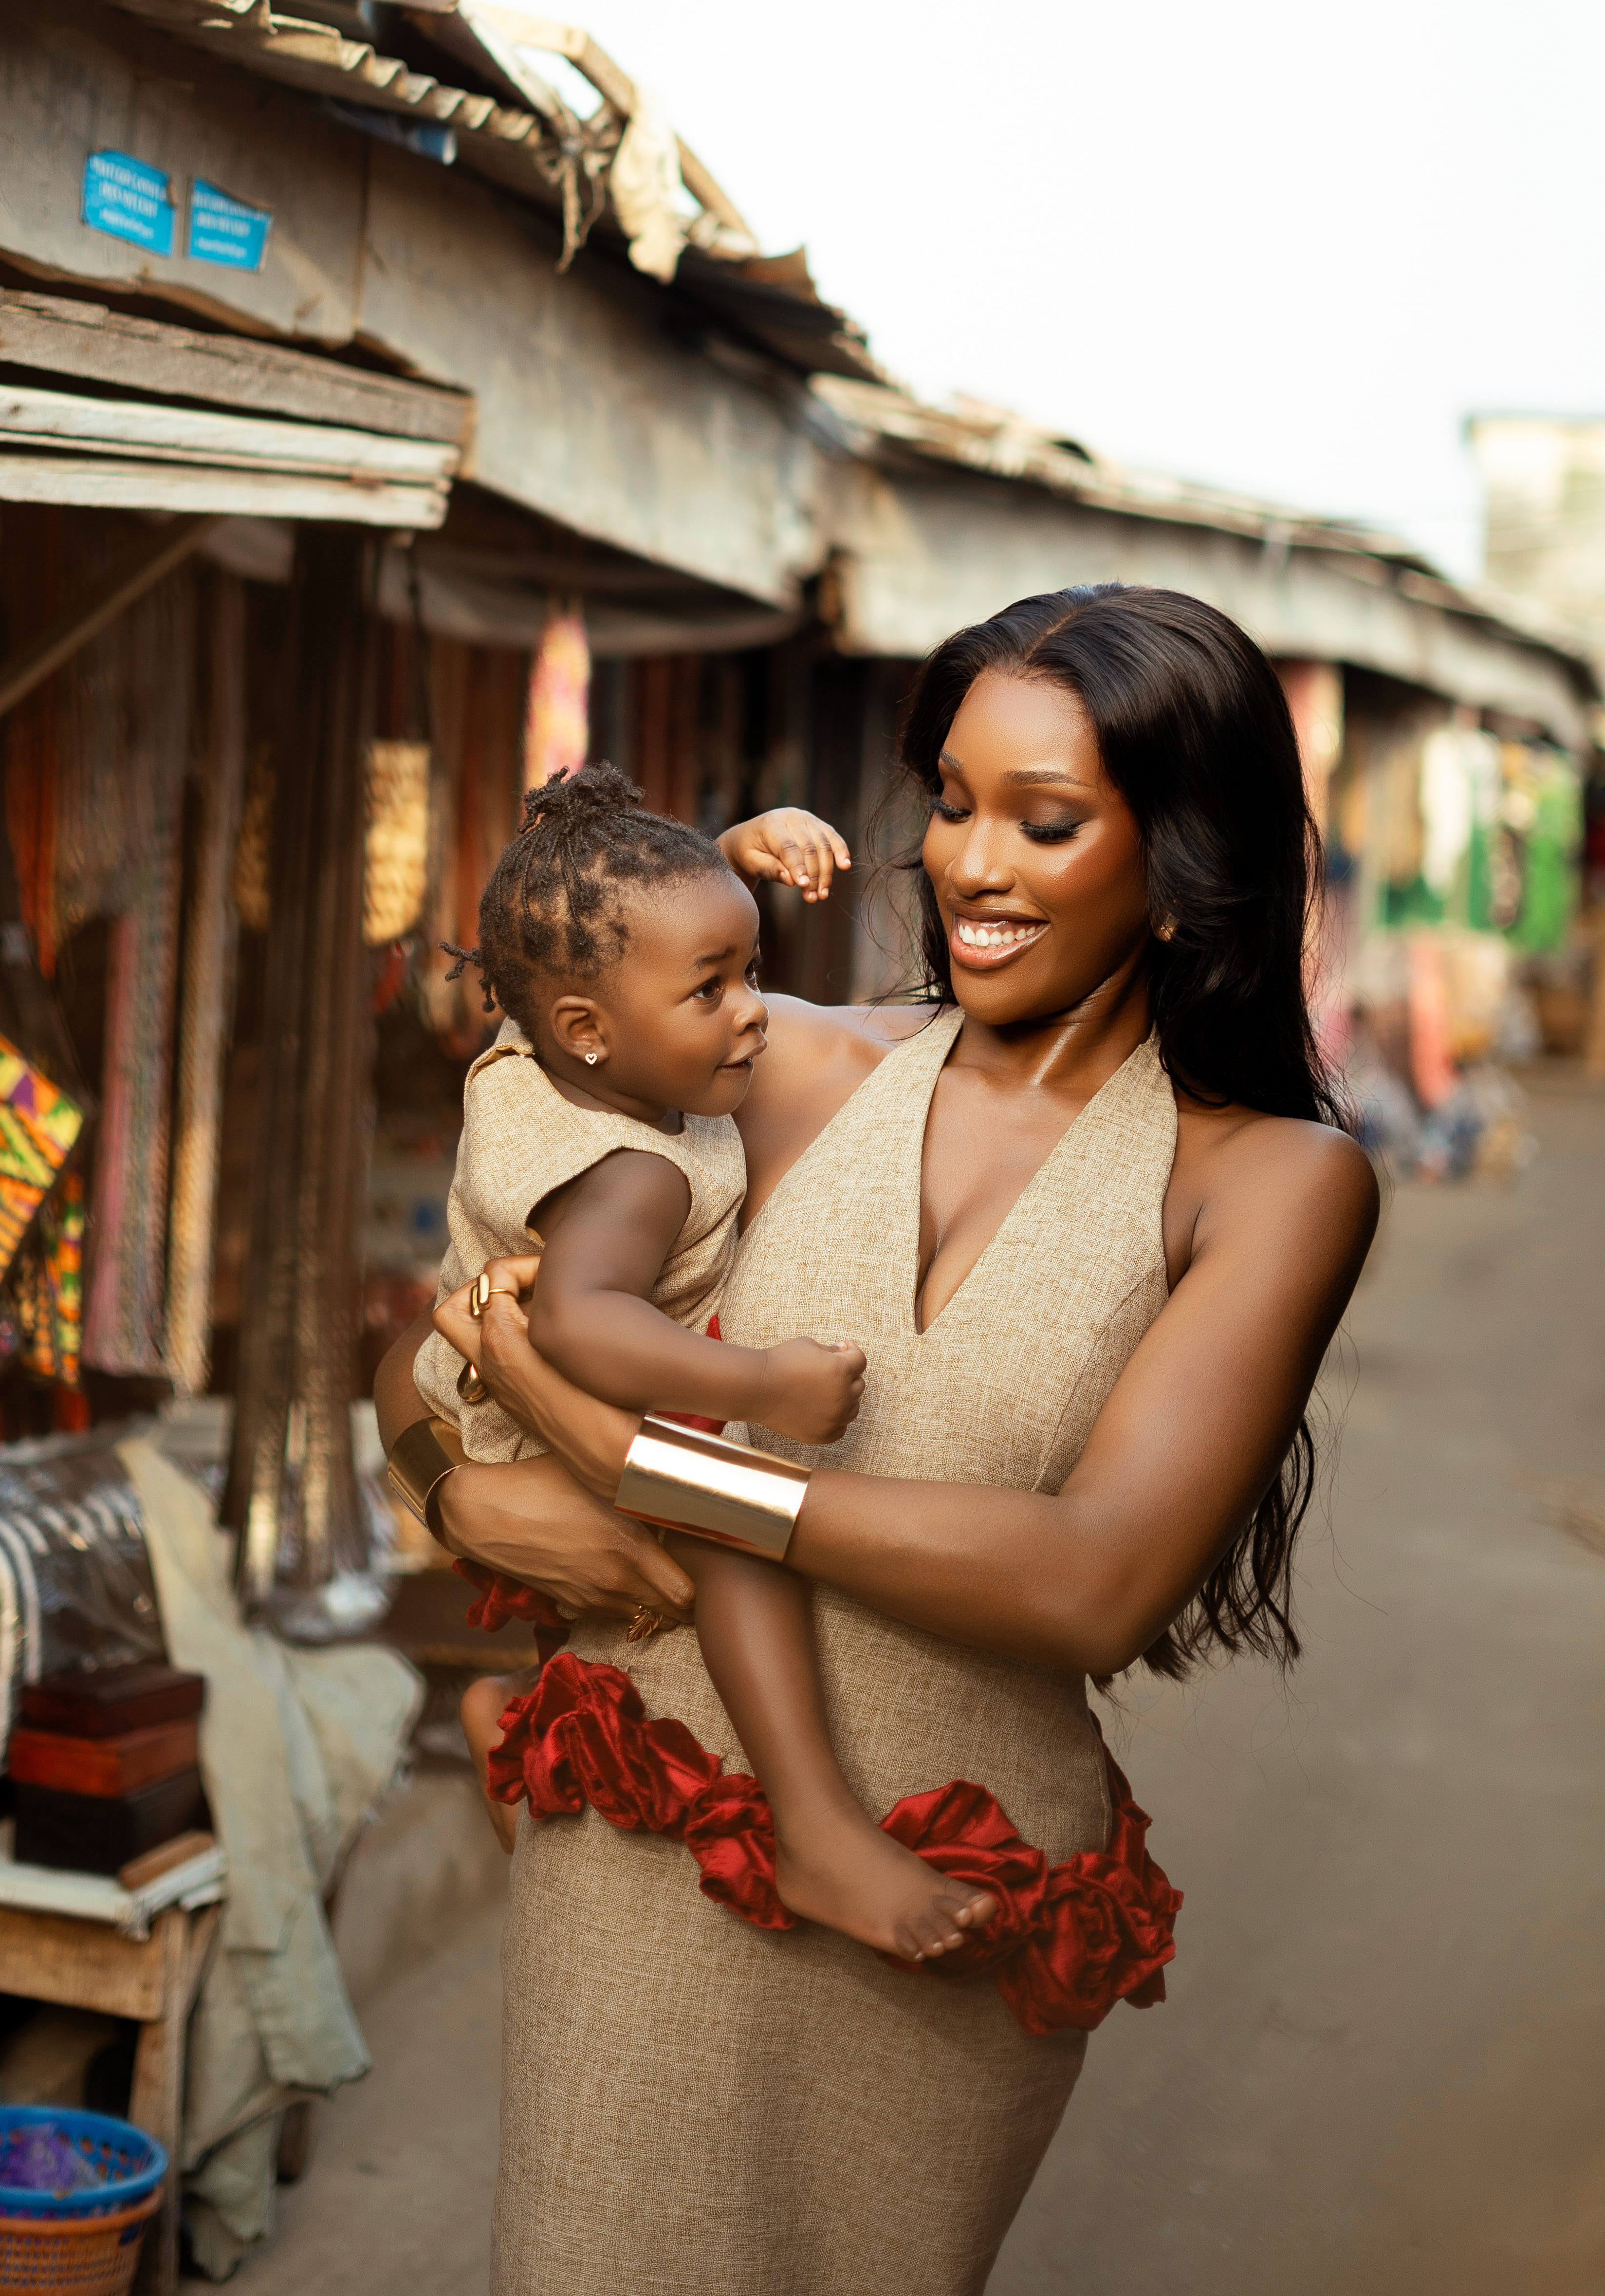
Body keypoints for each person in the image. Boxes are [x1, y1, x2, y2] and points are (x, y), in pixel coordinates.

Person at [377, 584, 1380, 2296]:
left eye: (1045, 822)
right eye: (954, 804)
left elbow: (1094, 1586)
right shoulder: (788, 1068)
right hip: (661, 1830)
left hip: (958, 1874)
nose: (971, 866)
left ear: (1181, 851)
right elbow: (468, 1310)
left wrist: (653, 1472)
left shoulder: (1272, 1182)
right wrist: (457, 1485)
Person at [420, 762, 988, 1961]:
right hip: (540, 1416)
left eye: (752, 974)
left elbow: (621, 953)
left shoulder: (573, 1045)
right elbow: (576, 1325)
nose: (753, 1013)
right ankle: (817, 1824)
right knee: (744, 1528)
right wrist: (763, 1386)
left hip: (495, 1403)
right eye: (713, 989)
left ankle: (508, 1717)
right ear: (589, 1028)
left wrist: (723, 858)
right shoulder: (635, 1169)